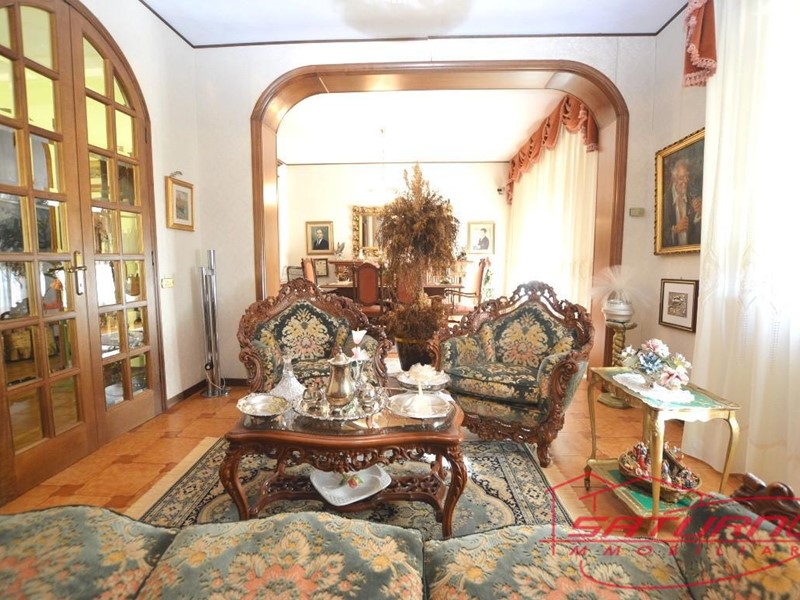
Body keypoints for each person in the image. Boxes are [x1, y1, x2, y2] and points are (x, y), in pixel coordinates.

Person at [662, 158, 702, 247]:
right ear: (674, 179)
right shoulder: (665, 200)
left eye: (687, 176)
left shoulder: (693, 197)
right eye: (681, 178)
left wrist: (699, 215)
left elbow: (697, 235)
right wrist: (675, 229)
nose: (685, 181)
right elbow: (660, 233)